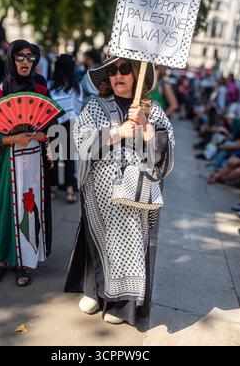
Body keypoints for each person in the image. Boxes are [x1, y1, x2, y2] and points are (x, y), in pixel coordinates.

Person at [64, 56, 175, 328]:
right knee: (98, 244)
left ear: (135, 74)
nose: (117, 75)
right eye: (112, 70)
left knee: (131, 248)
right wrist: (118, 131)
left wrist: (146, 128)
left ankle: (121, 306)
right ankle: (93, 292)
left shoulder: (153, 109)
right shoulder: (94, 106)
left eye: (124, 68)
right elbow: (80, 141)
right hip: (99, 195)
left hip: (136, 195)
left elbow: (166, 148)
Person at [0, 40, 54, 287]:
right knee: (2, 210)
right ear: (11, 59)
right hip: (3, 164)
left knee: (28, 210)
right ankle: (1, 259)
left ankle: (24, 260)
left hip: (32, 164)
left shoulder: (41, 91)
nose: (25, 61)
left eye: (31, 57)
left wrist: (44, 137)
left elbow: (51, 126)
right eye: (20, 56)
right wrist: (12, 138)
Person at [49, 54, 84, 203]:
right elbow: (78, 107)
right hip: (71, 123)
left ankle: (52, 188)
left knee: (53, 157)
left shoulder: (51, 85)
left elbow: (49, 106)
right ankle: (70, 190)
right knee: (69, 158)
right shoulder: (77, 87)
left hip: (54, 122)